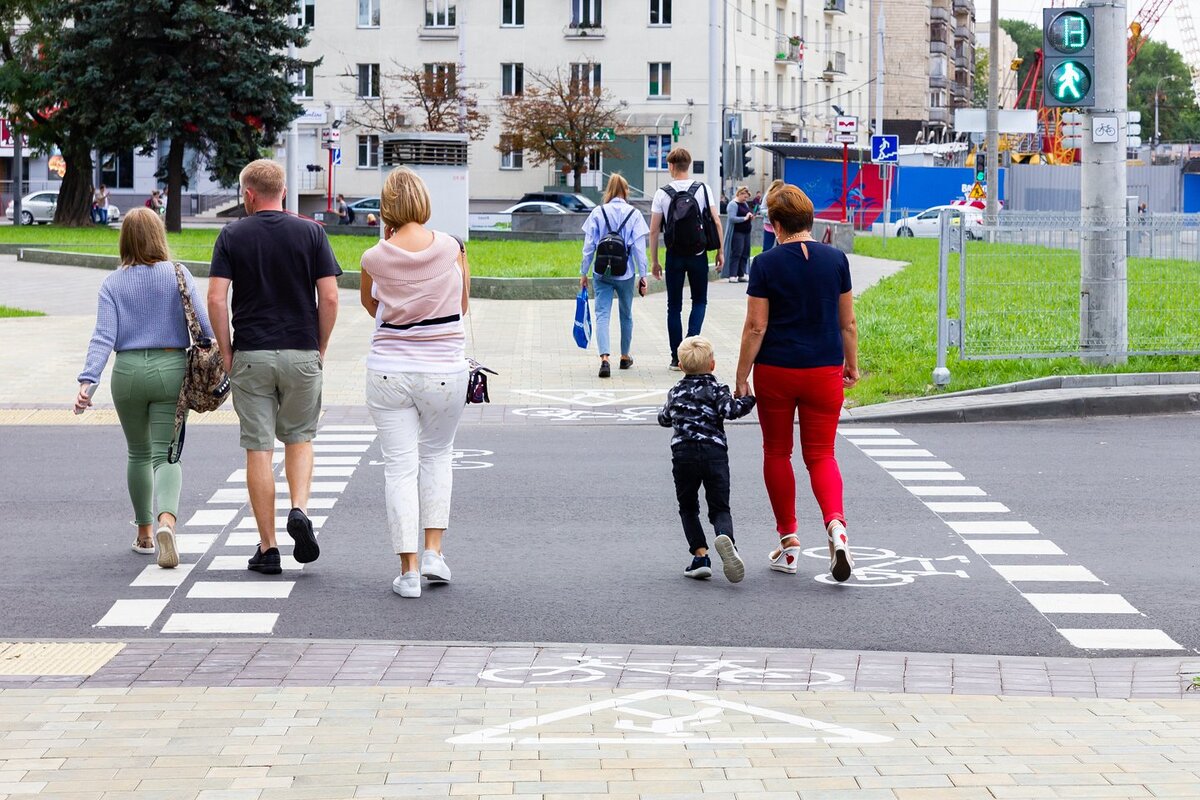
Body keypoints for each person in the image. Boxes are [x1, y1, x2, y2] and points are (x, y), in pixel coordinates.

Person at [207, 159, 341, 576]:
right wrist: (320, 345)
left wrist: (226, 352)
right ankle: (299, 509)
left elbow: (215, 298)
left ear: (248, 195)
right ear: (283, 192)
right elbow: (330, 297)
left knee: (259, 449)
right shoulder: (312, 233)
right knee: (299, 439)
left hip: (252, 354)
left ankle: (268, 549)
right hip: (302, 351)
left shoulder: (232, 235)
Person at [733, 184, 859, 584]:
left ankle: (789, 544)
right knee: (822, 455)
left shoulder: (765, 264)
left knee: (777, 452)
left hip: (777, 370)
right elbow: (847, 323)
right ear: (809, 219)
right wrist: (852, 365)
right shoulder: (836, 259)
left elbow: (756, 327)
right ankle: (836, 527)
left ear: (775, 224)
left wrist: (741, 375)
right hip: (824, 370)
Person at [75, 207, 213, 569]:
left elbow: (103, 336)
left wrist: (88, 381)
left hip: (127, 372)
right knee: (166, 455)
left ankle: (145, 534)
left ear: (125, 240)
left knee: (137, 453)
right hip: (171, 369)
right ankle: (168, 522)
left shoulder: (112, 283)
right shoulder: (178, 274)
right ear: (159, 236)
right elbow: (204, 327)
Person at [359, 167, 470, 599]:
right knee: (438, 456)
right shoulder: (452, 248)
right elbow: (462, 306)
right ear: (424, 201)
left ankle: (408, 573)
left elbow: (372, 307)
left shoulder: (374, 257)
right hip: (444, 370)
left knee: (399, 468)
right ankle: (434, 553)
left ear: (386, 208)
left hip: (388, 370)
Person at [658, 336, 756, 583]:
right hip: (714, 454)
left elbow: (664, 418)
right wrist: (748, 399)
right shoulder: (718, 389)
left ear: (681, 366)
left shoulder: (675, 391)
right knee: (720, 507)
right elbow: (730, 411)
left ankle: (700, 556)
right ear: (712, 365)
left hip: (684, 455)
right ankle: (726, 539)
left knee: (688, 507)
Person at [648, 147, 724, 371]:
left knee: (674, 307)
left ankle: (676, 357)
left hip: (674, 256)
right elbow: (716, 221)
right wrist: (720, 251)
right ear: (688, 165)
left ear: (671, 166)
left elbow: (654, 230)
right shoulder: (703, 189)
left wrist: (654, 261)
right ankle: (691, 350)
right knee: (699, 301)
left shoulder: (662, 193)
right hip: (699, 254)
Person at [579, 173, 649, 378]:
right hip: (625, 273)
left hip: (601, 272)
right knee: (626, 314)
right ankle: (625, 356)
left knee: (602, 314)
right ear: (626, 191)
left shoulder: (598, 212)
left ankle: (604, 359)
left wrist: (583, 272)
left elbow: (589, 247)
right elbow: (639, 249)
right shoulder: (634, 214)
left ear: (608, 191)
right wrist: (643, 275)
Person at [722, 185, 754, 283]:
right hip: (737, 232)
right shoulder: (733, 204)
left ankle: (741, 274)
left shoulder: (744, 204)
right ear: (739, 194)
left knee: (745, 253)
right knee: (737, 252)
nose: (745, 199)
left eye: (747, 197)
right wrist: (744, 218)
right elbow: (732, 218)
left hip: (746, 232)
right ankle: (732, 274)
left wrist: (750, 217)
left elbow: (746, 213)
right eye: (744, 197)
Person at [761, 179, 785, 253]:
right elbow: (762, 209)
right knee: (767, 247)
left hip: (781, 226)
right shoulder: (768, 196)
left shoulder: (783, 196)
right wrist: (771, 213)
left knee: (781, 248)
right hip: (769, 225)